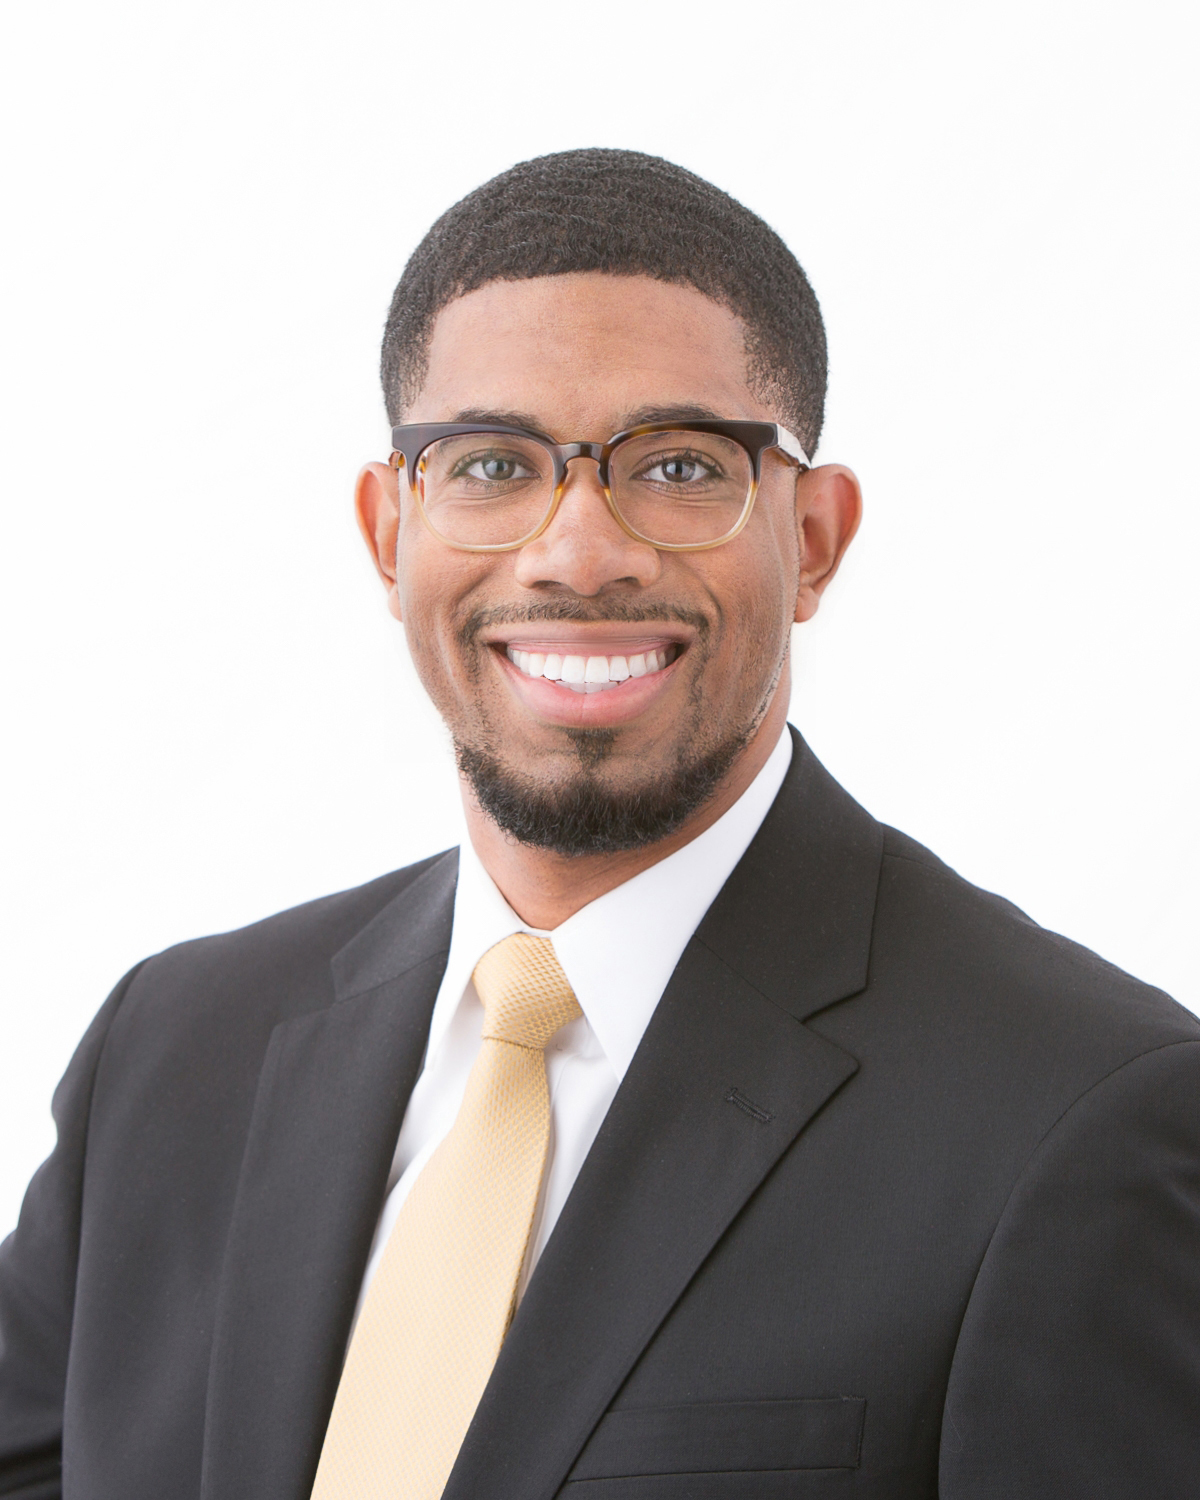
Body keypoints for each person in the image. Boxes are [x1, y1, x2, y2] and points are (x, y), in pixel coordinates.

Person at [1, 148, 1197, 1500]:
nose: (577, 552)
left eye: (680, 466)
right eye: (490, 464)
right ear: (389, 532)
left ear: (813, 539)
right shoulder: (170, 1055)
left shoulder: (1084, 1118)